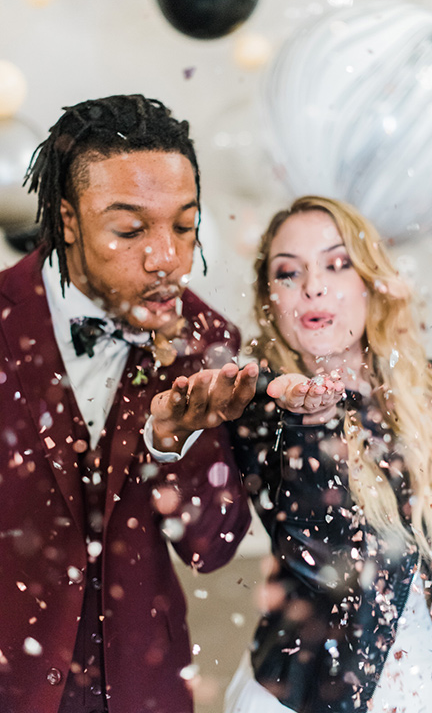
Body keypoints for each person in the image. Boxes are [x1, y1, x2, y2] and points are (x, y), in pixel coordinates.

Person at [0, 93, 259, 713]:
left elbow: (213, 547)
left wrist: (177, 443)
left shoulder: (210, 342)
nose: (166, 257)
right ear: (66, 222)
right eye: (130, 228)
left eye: (184, 224)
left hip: (141, 686)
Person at [224, 195, 432, 713]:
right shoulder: (260, 411)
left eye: (338, 264)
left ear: (371, 281)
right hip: (316, 690)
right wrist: (308, 423)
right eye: (289, 273)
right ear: (270, 299)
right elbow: (323, 562)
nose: (314, 285)